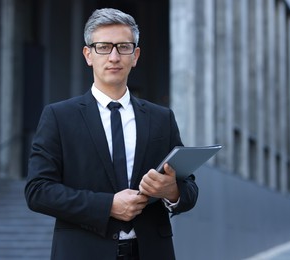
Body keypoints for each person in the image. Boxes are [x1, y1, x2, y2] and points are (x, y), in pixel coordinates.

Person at [25, 8, 198, 260]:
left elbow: (189, 189)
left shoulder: (162, 118)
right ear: (88, 55)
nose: (114, 56)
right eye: (103, 47)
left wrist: (171, 191)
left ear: (135, 55)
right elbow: (37, 191)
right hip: (83, 252)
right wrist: (107, 206)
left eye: (123, 47)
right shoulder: (59, 117)